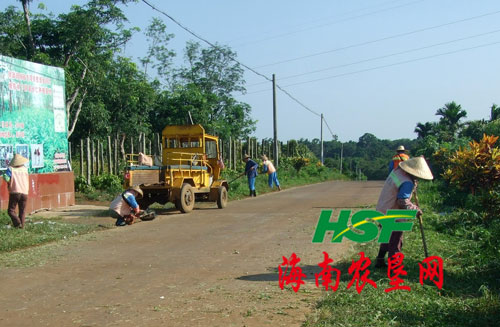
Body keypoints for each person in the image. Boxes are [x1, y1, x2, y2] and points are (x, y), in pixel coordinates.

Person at [375, 156, 433, 268]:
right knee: (395, 242)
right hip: (393, 214)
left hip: (383, 209)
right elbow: (402, 201)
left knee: (387, 238)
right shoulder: (407, 182)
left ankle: (380, 261)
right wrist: (414, 209)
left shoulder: (397, 172)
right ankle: (395, 269)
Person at [2, 154, 29, 228]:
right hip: (25, 192)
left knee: (11, 210)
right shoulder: (25, 169)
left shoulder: (11, 169)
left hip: (15, 191)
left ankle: (17, 223)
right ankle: (22, 226)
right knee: (22, 210)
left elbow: (6, 178)